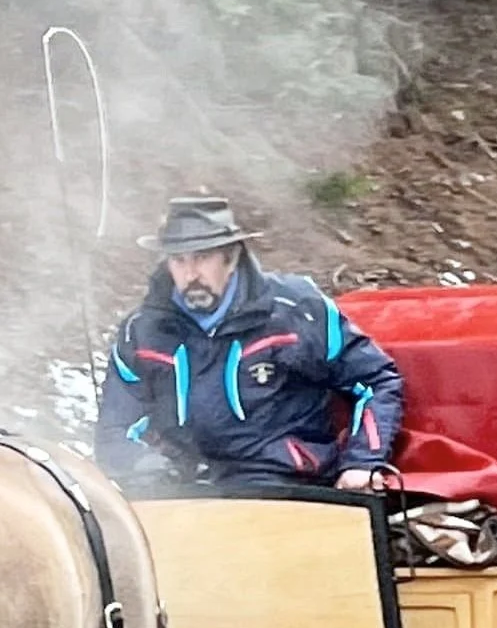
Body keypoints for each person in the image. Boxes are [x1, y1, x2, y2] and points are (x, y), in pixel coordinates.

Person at [96, 196, 404, 491]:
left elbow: (375, 380)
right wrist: (143, 465)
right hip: (180, 487)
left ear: (231, 259)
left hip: (283, 484)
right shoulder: (141, 331)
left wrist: (362, 462)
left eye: (202, 258)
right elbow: (115, 427)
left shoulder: (296, 308)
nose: (190, 273)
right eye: (178, 260)